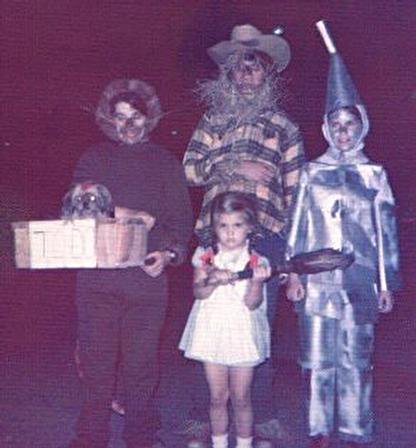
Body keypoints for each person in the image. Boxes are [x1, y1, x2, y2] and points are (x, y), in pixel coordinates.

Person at [182, 24, 305, 446]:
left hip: (265, 237)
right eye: (238, 68)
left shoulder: (284, 127)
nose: (246, 75)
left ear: (268, 74)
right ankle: (204, 416)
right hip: (215, 237)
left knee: (257, 327)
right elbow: (190, 169)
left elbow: (296, 194)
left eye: (254, 68)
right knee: (210, 322)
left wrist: (292, 259)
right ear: (227, 75)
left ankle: (262, 414)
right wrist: (236, 165)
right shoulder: (212, 121)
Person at [286, 23, 400, 448]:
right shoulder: (311, 173)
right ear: (325, 128)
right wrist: (293, 274)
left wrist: (386, 284)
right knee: (317, 361)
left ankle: (354, 429)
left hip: (361, 283)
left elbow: (386, 234)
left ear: (362, 125)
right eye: (335, 124)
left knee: (356, 361)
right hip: (316, 283)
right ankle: (318, 430)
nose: (343, 132)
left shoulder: (374, 175)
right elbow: (297, 227)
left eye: (350, 124)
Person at [68, 78, 193, 448]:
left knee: (141, 366)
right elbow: (77, 204)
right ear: (109, 120)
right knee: (96, 364)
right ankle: (91, 437)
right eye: (120, 117)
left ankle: (139, 435)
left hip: (146, 282)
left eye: (135, 116)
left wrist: (168, 255)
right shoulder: (93, 158)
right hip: (96, 280)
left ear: (148, 117)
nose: (128, 125)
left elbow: (181, 224)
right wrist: (129, 213)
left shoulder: (166, 163)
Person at [179, 192, 272, 448]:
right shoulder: (205, 257)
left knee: (241, 397)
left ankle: (244, 444)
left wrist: (257, 282)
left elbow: (252, 303)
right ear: (214, 227)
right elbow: (198, 292)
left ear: (249, 227)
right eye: (223, 225)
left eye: (237, 225)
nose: (230, 233)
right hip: (212, 331)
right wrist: (212, 280)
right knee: (218, 397)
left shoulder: (256, 261)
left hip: (242, 333)